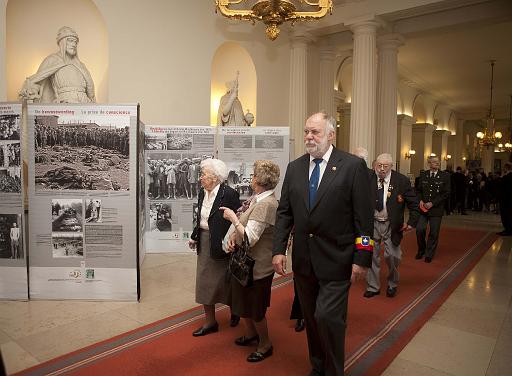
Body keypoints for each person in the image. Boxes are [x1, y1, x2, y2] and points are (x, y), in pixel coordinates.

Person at [272, 112, 374, 376]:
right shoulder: (294, 168)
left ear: (331, 135)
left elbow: (364, 218)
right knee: (312, 321)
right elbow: (285, 212)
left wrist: (362, 258)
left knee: (327, 317)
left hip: (338, 259)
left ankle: (333, 371)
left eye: (314, 132)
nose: (308, 137)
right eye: (306, 131)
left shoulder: (352, 166)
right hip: (304, 261)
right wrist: (278, 250)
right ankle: (318, 368)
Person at [220, 160, 280, 362]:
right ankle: (252, 335)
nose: (251, 177)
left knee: (255, 308)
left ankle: (265, 344)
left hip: (258, 266)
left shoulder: (266, 204)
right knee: (244, 303)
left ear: (259, 180)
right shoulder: (258, 199)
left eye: (254, 175)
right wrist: (231, 239)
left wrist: (232, 218)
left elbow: (249, 237)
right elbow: (243, 233)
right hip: (246, 262)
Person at [189, 158, 240, 336]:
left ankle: (236, 310)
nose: (200, 178)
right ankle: (210, 322)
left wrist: (233, 238)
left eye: (204, 174)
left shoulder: (230, 194)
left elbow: (237, 219)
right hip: (205, 240)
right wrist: (195, 236)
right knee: (204, 281)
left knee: (228, 280)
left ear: (216, 177)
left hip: (224, 242)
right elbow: (201, 218)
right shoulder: (202, 192)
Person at [364, 153, 419, 298]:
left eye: (385, 166)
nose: (381, 169)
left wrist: (412, 222)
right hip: (372, 223)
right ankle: (373, 286)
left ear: (391, 166)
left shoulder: (401, 180)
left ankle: (392, 283)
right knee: (371, 256)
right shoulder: (367, 179)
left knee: (393, 256)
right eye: (379, 165)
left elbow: (414, 203)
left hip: (391, 224)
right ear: (374, 164)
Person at [19, 26, 95, 103]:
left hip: (84, 102)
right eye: (71, 41)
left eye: (75, 42)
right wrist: (32, 90)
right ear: (63, 42)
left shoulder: (81, 65)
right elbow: (38, 80)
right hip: (64, 102)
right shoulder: (52, 60)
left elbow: (90, 90)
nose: (74, 44)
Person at [415, 155, 450, 263]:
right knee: (420, 229)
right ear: (429, 163)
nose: (437, 163)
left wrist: (433, 203)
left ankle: (429, 253)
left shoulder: (445, 176)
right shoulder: (423, 175)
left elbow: (446, 192)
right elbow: (419, 190)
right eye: (434, 162)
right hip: (423, 209)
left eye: (438, 161)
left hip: (436, 209)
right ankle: (421, 249)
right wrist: (420, 200)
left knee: (434, 232)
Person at [497, 162, 512, 236]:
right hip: (509, 200)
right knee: (509, 215)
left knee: (505, 215)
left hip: (505, 200)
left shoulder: (506, 177)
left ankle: (507, 230)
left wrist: (501, 176)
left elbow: (500, 185)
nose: (503, 169)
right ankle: (508, 229)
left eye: (504, 168)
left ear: (506, 168)